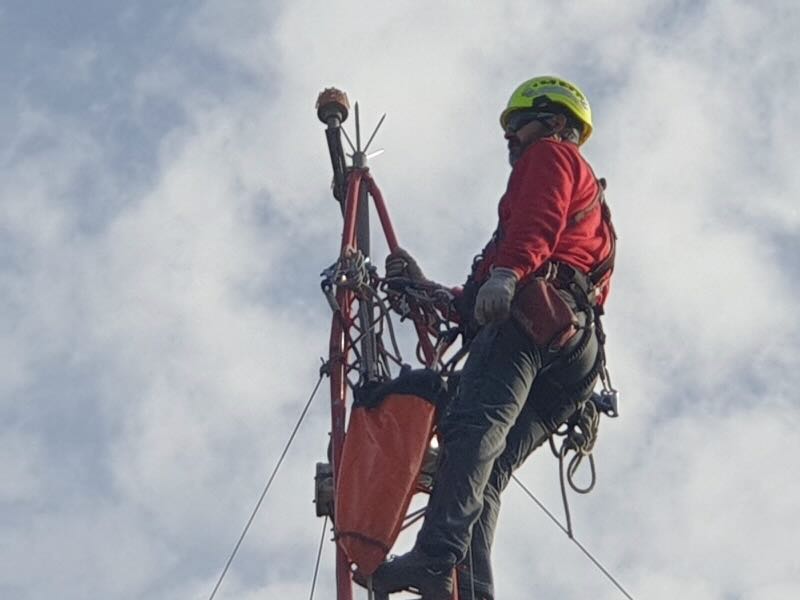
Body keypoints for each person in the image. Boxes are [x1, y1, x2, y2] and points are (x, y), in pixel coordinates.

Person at [369, 76, 617, 600]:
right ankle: (470, 590)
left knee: (472, 429)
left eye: (517, 126)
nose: (511, 139)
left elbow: (537, 221)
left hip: (533, 320)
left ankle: (436, 559)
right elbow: (486, 295)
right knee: (490, 470)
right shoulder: (592, 211)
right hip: (573, 355)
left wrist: (508, 276)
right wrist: (428, 288)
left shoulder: (551, 155)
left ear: (553, 122)